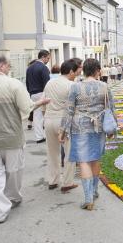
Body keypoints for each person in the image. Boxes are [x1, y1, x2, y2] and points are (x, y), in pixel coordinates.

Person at [0, 55, 50, 224]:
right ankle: (13, 197)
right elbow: (26, 108)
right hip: (12, 136)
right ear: (2, 66)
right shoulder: (13, 84)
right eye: (8, 65)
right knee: (14, 171)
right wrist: (41, 102)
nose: (9, 68)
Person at [59, 58, 116, 210]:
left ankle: (88, 198)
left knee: (83, 161)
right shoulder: (104, 86)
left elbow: (69, 110)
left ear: (84, 70)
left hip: (80, 127)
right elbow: (111, 108)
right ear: (97, 70)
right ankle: (95, 191)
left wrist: (63, 130)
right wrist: (112, 130)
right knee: (95, 159)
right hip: (99, 127)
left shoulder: (76, 87)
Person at [43, 59, 82, 192]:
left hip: (48, 119)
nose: (79, 72)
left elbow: (44, 102)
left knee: (52, 152)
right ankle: (67, 182)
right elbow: (75, 107)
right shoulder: (71, 85)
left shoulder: (50, 82)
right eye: (77, 70)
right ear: (71, 71)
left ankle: (53, 180)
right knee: (69, 152)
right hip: (63, 121)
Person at [26, 50, 51, 143]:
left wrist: (30, 92)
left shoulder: (29, 68)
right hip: (42, 93)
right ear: (43, 57)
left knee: (37, 116)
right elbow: (47, 83)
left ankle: (39, 136)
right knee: (44, 115)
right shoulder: (43, 68)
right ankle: (42, 136)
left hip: (33, 94)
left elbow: (27, 83)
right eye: (48, 58)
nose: (48, 60)